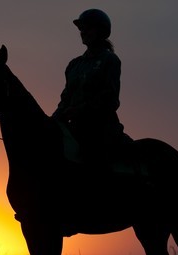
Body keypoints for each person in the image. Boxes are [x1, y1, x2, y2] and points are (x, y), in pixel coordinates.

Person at [52, 8, 130, 165]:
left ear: (100, 31)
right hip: (73, 127)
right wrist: (52, 121)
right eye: (81, 29)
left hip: (99, 130)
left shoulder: (110, 60)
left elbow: (110, 99)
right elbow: (65, 98)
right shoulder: (74, 65)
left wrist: (80, 110)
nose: (83, 32)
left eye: (88, 28)